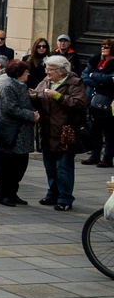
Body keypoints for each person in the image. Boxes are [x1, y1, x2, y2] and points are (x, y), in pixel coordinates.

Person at [32, 55, 87, 211]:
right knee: (49, 166)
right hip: (47, 131)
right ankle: (52, 194)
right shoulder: (46, 81)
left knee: (63, 167)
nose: (47, 73)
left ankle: (65, 198)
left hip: (65, 132)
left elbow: (80, 104)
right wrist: (34, 97)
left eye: (50, 70)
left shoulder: (74, 83)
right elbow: (39, 96)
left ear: (61, 71)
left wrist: (58, 96)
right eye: (47, 69)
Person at [0, 59, 37, 207]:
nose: (28, 74)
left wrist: (34, 98)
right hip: (12, 133)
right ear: (19, 73)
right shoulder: (9, 87)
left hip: (23, 134)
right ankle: (4, 195)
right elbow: (11, 109)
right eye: (26, 72)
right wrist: (32, 115)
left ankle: (13, 193)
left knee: (20, 167)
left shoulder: (22, 86)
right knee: (9, 168)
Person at [82, 38, 114, 169]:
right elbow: (84, 76)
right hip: (94, 99)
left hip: (110, 100)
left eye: (107, 46)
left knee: (110, 132)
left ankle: (107, 158)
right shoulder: (95, 60)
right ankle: (94, 155)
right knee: (95, 129)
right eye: (102, 46)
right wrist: (100, 82)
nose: (103, 48)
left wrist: (94, 76)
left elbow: (112, 79)